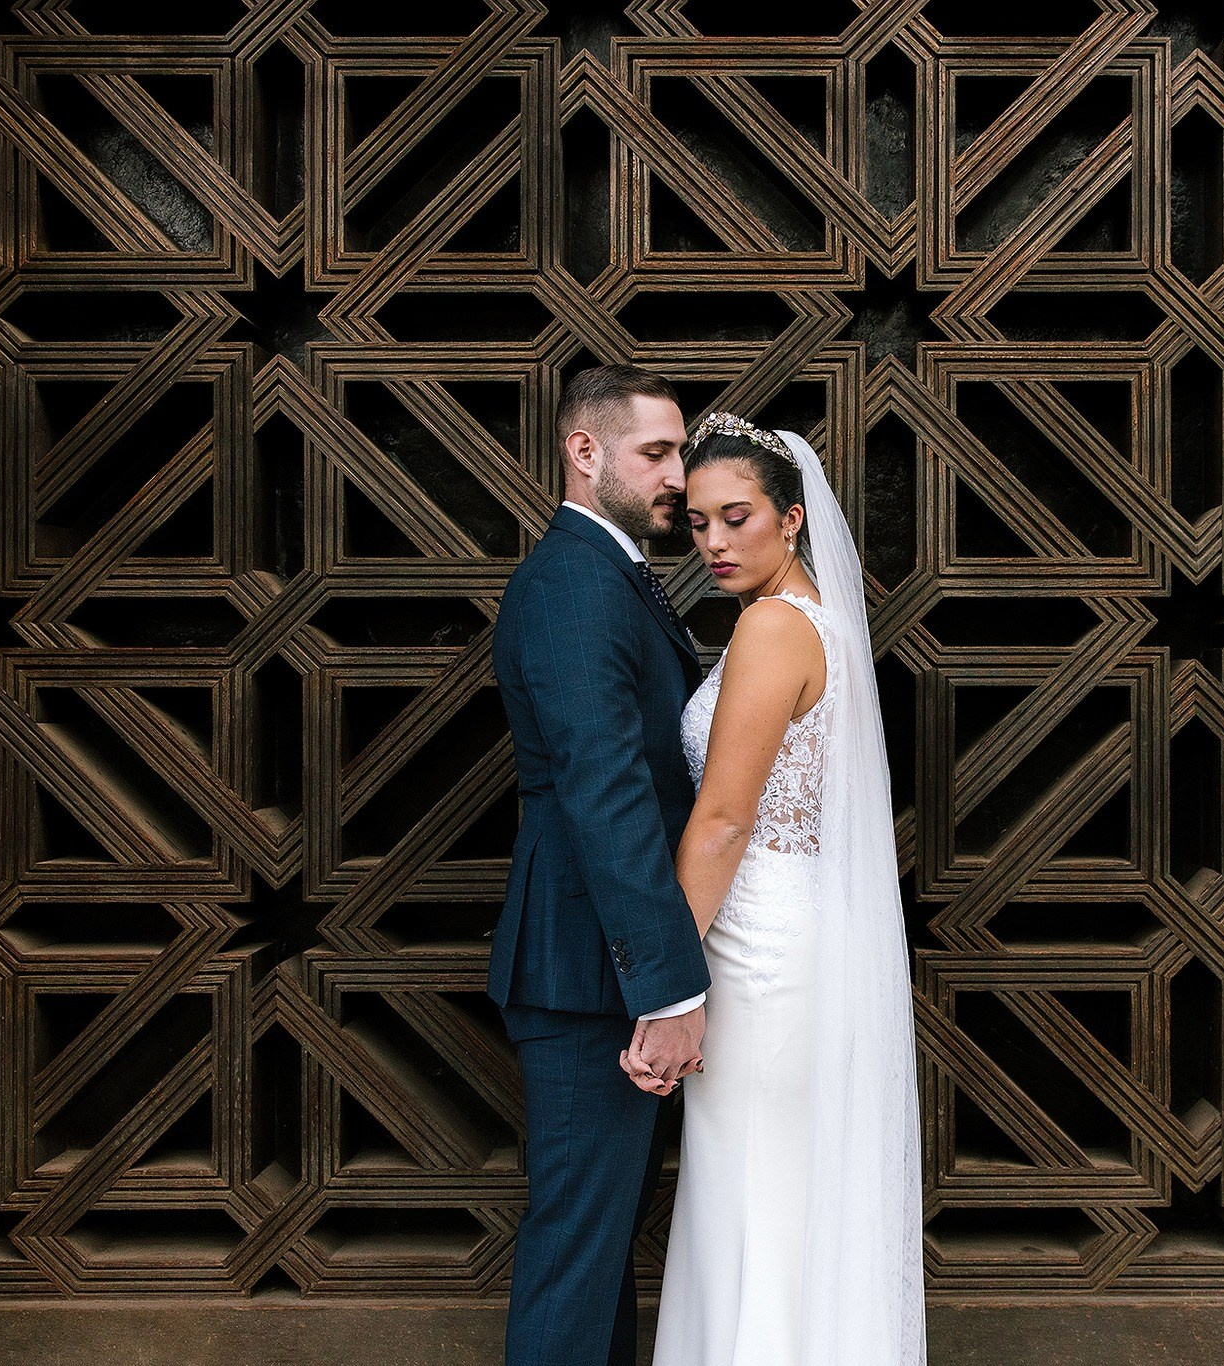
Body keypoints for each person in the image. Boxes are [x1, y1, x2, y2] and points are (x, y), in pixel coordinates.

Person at [643, 412, 926, 1365]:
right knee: (768, 1190)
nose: (714, 543)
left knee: (753, 1193)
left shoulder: (770, 629)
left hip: (759, 946)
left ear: (794, 520)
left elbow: (723, 821)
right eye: (697, 523)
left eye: (738, 519)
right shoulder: (816, 626)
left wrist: (662, 980)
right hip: (789, 927)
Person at [488, 365, 711, 1365]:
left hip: (597, 964)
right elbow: (606, 788)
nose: (678, 474)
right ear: (585, 452)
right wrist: (664, 990)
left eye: (680, 451)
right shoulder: (573, 583)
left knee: (601, 1239)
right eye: (655, 452)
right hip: (589, 972)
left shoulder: (613, 573)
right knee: (578, 1246)